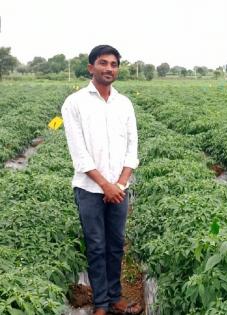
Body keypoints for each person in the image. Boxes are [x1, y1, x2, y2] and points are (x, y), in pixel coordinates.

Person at [62, 45, 141, 315]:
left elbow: (133, 148)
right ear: (91, 67)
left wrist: (118, 184)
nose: (109, 68)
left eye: (114, 64)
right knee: (96, 246)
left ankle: (116, 297)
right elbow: (79, 154)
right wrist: (105, 185)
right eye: (103, 63)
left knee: (116, 245)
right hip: (89, 189)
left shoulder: (124, 103)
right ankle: (101, 304)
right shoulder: (75, 103)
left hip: (119, 189)